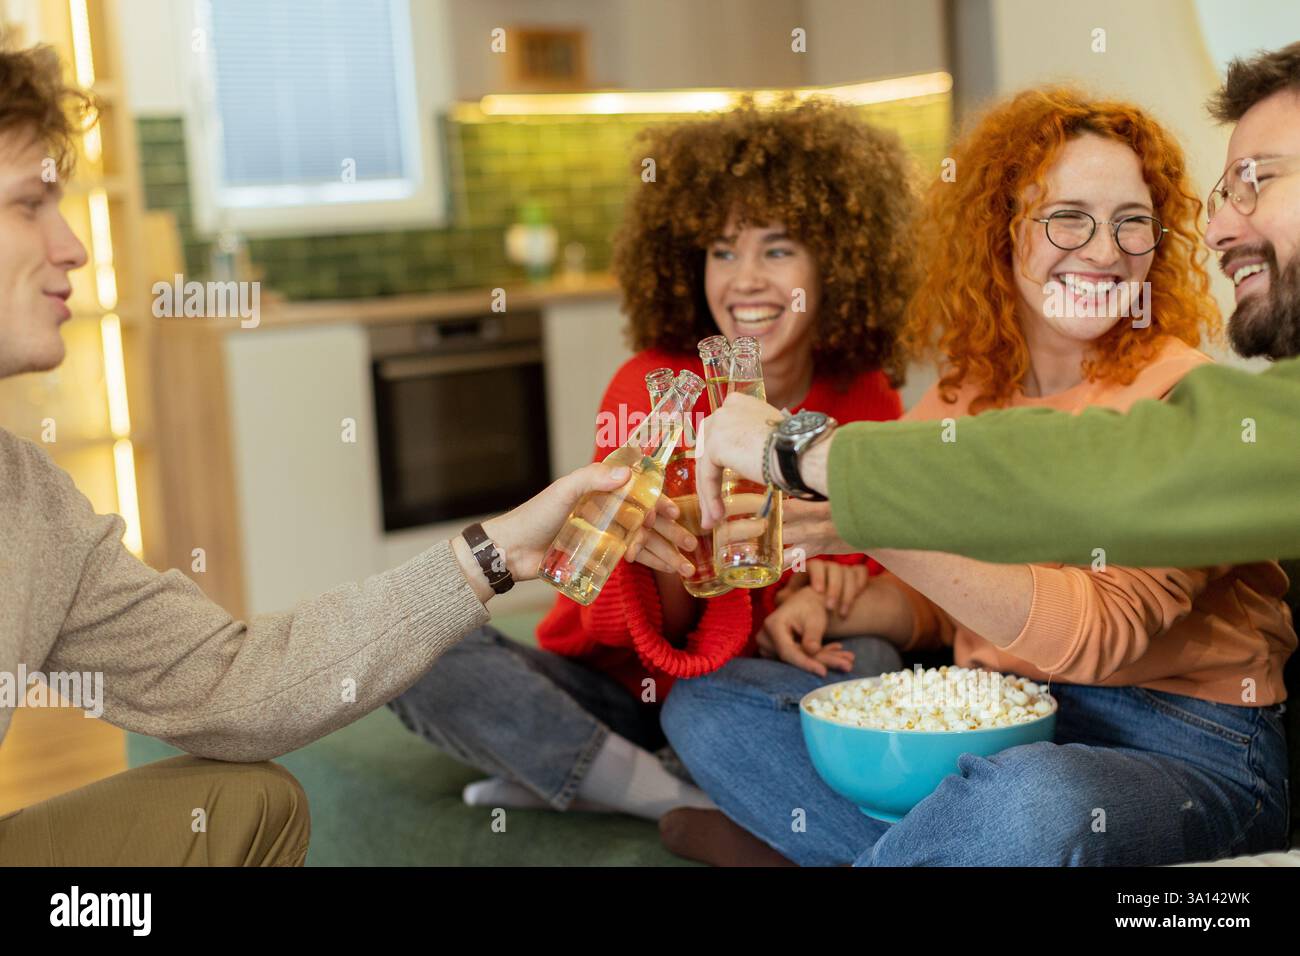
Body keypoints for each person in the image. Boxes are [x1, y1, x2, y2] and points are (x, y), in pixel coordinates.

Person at [0, 41, 679, 865]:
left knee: (245, 803)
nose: (73, 245)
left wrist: (493, 553)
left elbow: (234, 687)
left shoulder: (30, 502)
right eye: (30, 204)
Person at [662, 86, 1294, 867]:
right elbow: (947, 605)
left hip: (1191, 744)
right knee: (709, 706)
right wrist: (866, 609)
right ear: (1001, 232)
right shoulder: (962, 396)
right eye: (1067, 218)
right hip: (995, 721)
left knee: (1029, 802)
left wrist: (870, 523)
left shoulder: (1181, 395)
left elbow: (1094, 636)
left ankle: (838, 848)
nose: (1103, 250)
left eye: (1132, 222)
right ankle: (927, 847)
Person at [386, 99, 917, 820]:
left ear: (840, 263)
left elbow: (884, 573)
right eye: (722, 251)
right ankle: (667, 794)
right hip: (628, 687)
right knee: (418, 650)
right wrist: (685, 566)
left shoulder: (868, 398)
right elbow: (619, 617)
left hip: (762, 687)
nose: (744, 279)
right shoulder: (652, 391)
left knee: (876, 663)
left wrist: (821, 598)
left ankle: (585, 778)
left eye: (778, 248)